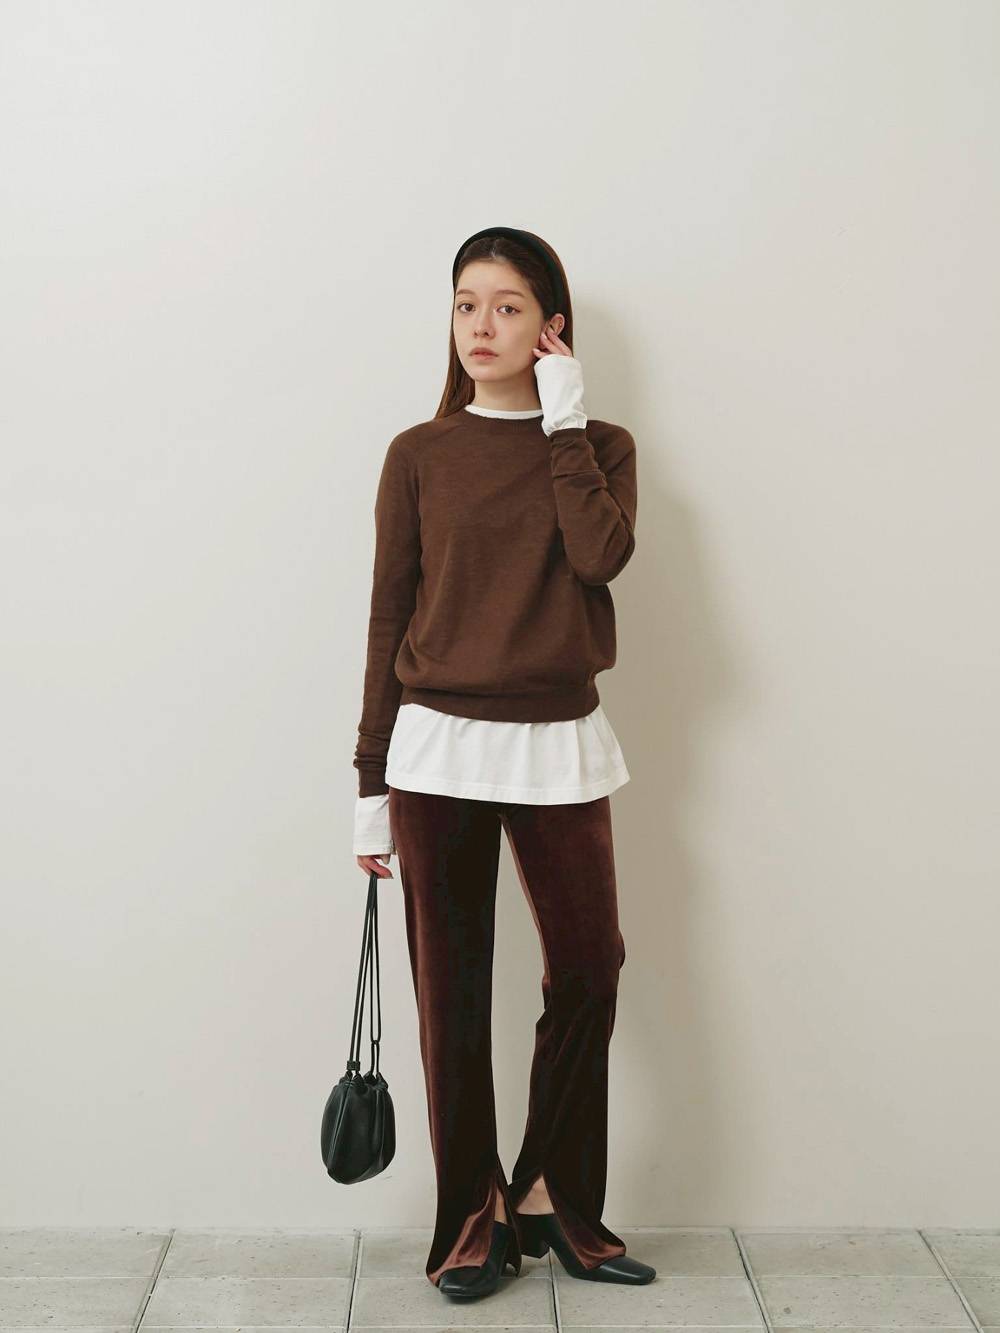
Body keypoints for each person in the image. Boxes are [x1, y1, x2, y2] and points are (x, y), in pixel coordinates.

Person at [352, 226, 655, 1301]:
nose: (481, 326)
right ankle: (471, 1217)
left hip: (559, 739)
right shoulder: (419, 454)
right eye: (466, 304)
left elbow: (599, 556)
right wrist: (369, 785)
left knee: (588, 968)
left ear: (550, 327)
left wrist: (562, 419)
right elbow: (389, 614)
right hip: (434, 748)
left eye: (508, 306)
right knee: (453, 995)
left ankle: (553, 1196)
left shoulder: (599, 444)